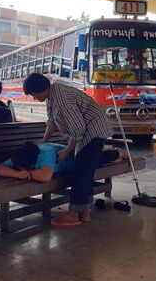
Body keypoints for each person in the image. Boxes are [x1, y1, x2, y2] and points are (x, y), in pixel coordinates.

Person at [23, 73, 113, 226]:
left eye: (33, 95)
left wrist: (66, 151)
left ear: (41, 90)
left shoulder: (62, 99)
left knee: (81, 172)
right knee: (85, 170)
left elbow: (78, 129)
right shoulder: (51, 95)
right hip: (86, 133)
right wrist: (44, 141)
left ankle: (73, 214)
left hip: (93, 131)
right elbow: (51, 121)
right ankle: (84, 211)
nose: (34, 98)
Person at [0, 141, 127, 183]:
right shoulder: (22, 154)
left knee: (110, 157)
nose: (17, 167)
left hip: (80, 160)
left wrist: (27, 172)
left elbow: (45, 176)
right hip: (67, 160)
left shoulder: (45, 154)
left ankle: (118, 151)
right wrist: (16, 174)